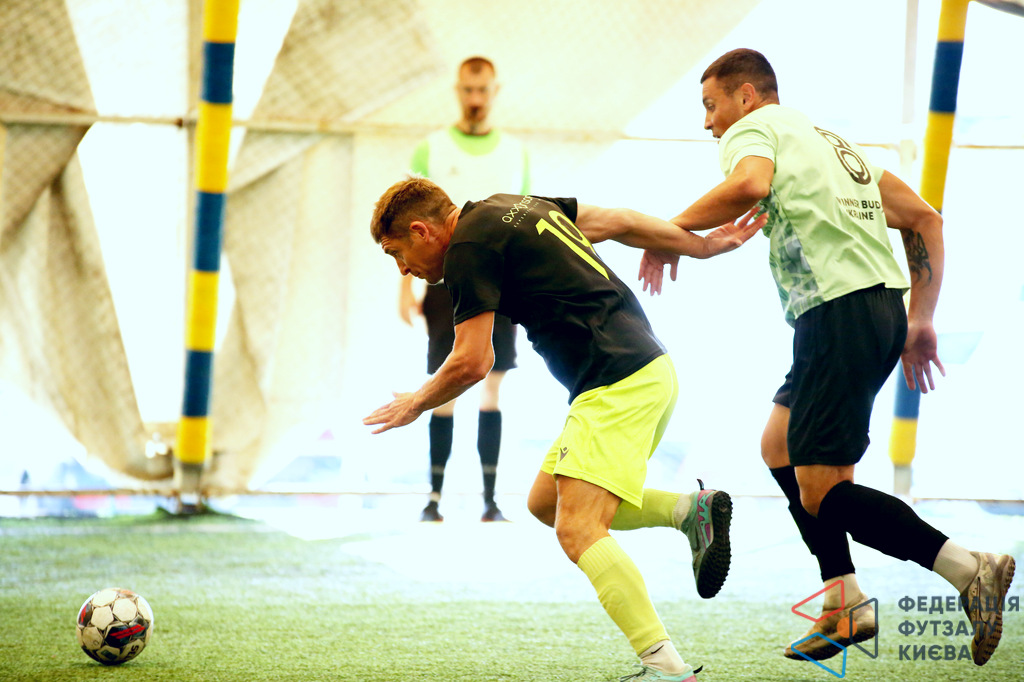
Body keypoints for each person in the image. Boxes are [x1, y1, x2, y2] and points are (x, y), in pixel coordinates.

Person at [639, 48, 1015, 666]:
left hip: (837, 315)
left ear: (746, 96)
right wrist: (920, 317)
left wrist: (670, 231)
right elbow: (925, 219)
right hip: (871, 313)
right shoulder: (834, 146)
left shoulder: (755, 129)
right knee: (779, 446)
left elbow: (750, 185)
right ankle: (845, 600)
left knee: (822, 494)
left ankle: (967, 567)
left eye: (711, 105)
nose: (708, 123)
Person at [365, 178, 765, 680]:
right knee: (547, 502)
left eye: (396, 253)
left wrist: (416, 403)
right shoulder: (516, 206)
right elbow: (619, 221)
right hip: (645, 371)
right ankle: (688, 510)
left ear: (422, 231)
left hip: (615, 382)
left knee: (578, 528)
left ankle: (666, 668)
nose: (403, 269)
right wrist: (699, 246)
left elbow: (472, 361)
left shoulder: (467, 249)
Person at [399, 56, 529, 523]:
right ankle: (433, 500)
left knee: (492, 386)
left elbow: (524, 221)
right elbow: (408, 228)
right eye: (468, 90)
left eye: (483, 90)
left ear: (495, 91)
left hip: (503, 283)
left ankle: (490, 502)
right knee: (444, 383)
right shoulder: (430, 150)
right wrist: (405, 287)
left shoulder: (514, 152)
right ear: (458, 90)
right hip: (443, 282)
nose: (475, 98)